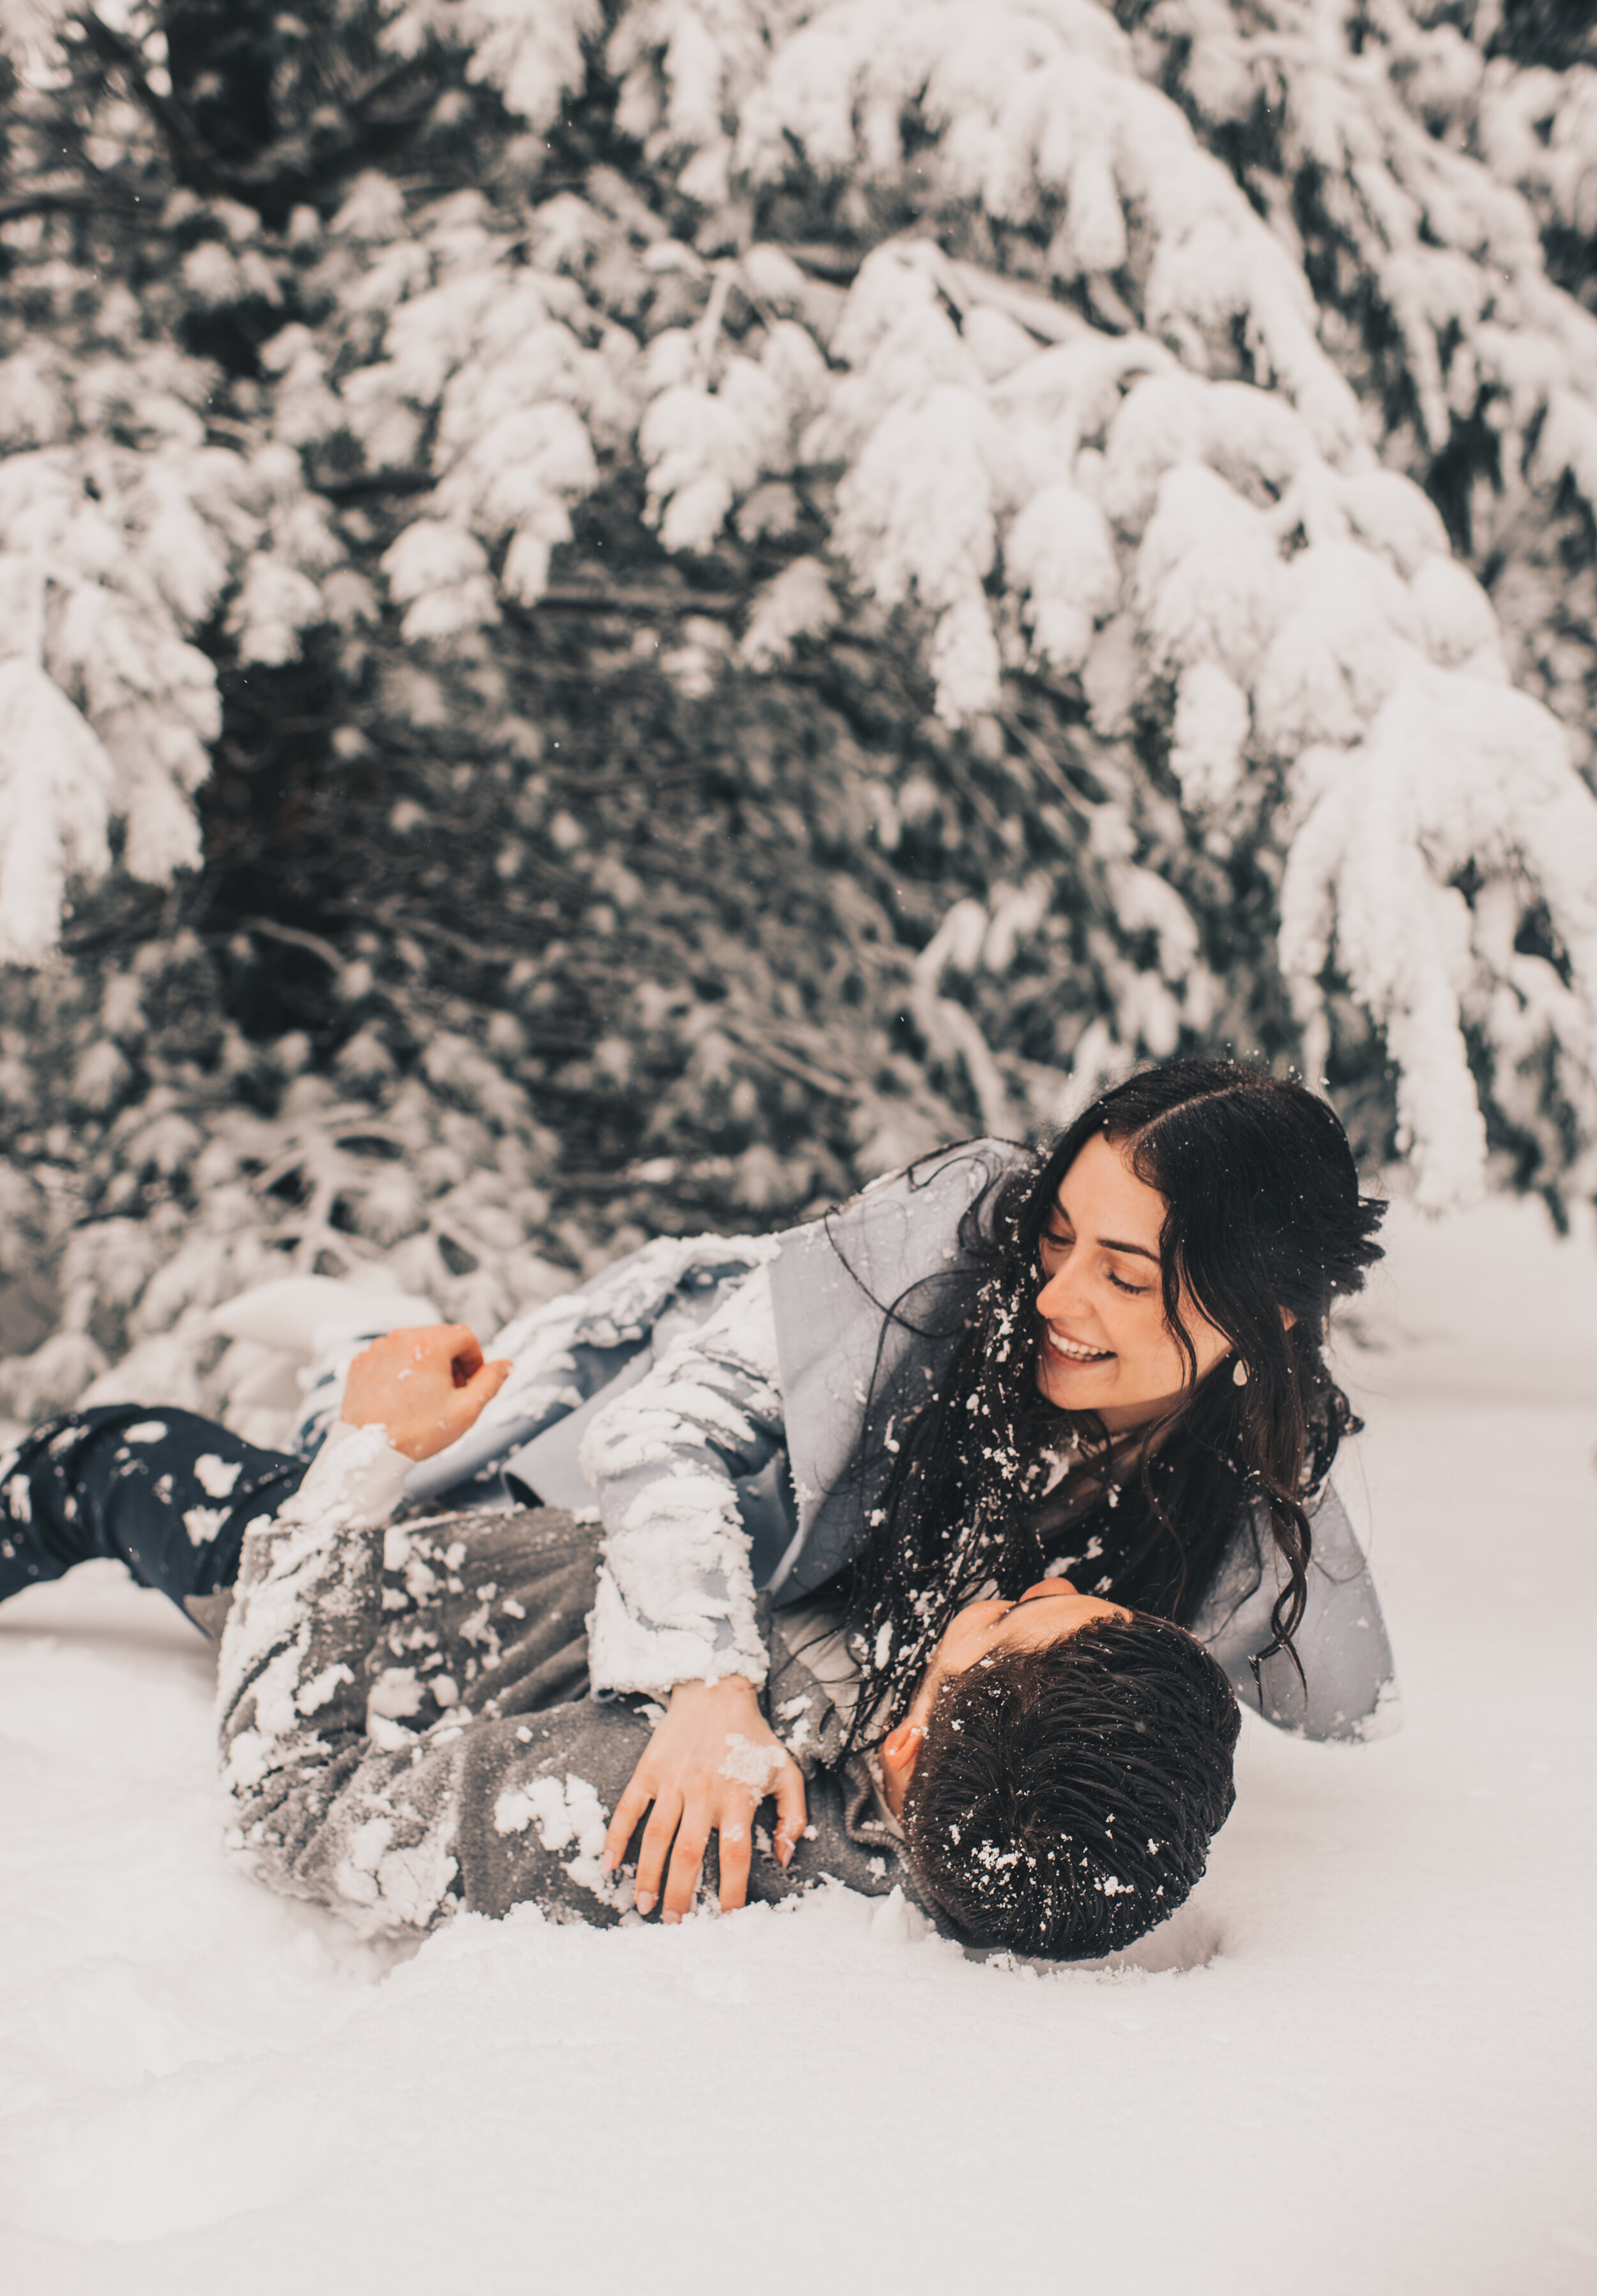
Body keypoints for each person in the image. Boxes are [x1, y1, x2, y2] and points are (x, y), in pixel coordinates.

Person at [0, 1058, 1393, 1929]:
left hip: (449, 1607)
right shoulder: (932, 1280)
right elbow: (671, 1431)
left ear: (1262, 1319)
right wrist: (704, 1683)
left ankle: (361, 1387)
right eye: (1057, 1236)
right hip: (561, 1491)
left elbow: (1258, 1702)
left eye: (1125, 1275)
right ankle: (362, 1371)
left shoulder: (1239, 1497)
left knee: (220, 1489)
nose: (1055, 1294)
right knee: (240, 1468)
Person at [199, 1324, 1240, 1956]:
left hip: (355, 1601)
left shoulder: (669, 1819)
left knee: (105, 1466)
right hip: (504, 1529)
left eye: (1009, 1621)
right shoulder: (993, 1799)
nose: (1020, 1589)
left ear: (916, 1746)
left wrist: (359, 1461)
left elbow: (294, 1816)